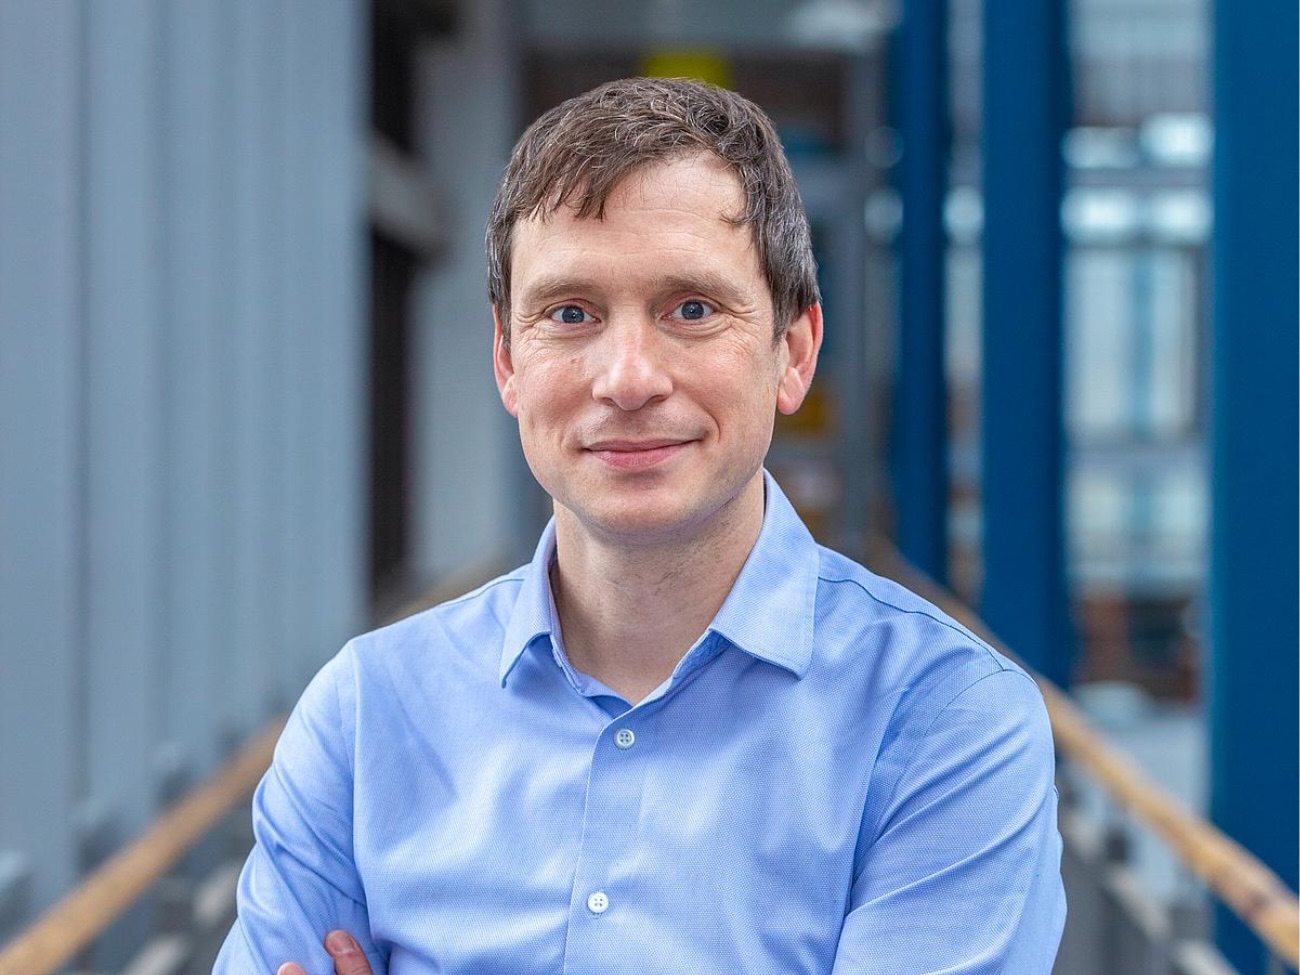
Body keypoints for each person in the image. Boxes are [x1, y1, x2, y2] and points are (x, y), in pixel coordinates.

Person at [214, 77, 1066, 975]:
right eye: (571, 314)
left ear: (795, 351)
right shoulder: (366, 715)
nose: (627, 378)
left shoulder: (945, 720)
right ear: (508, 361)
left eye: (690, 309)